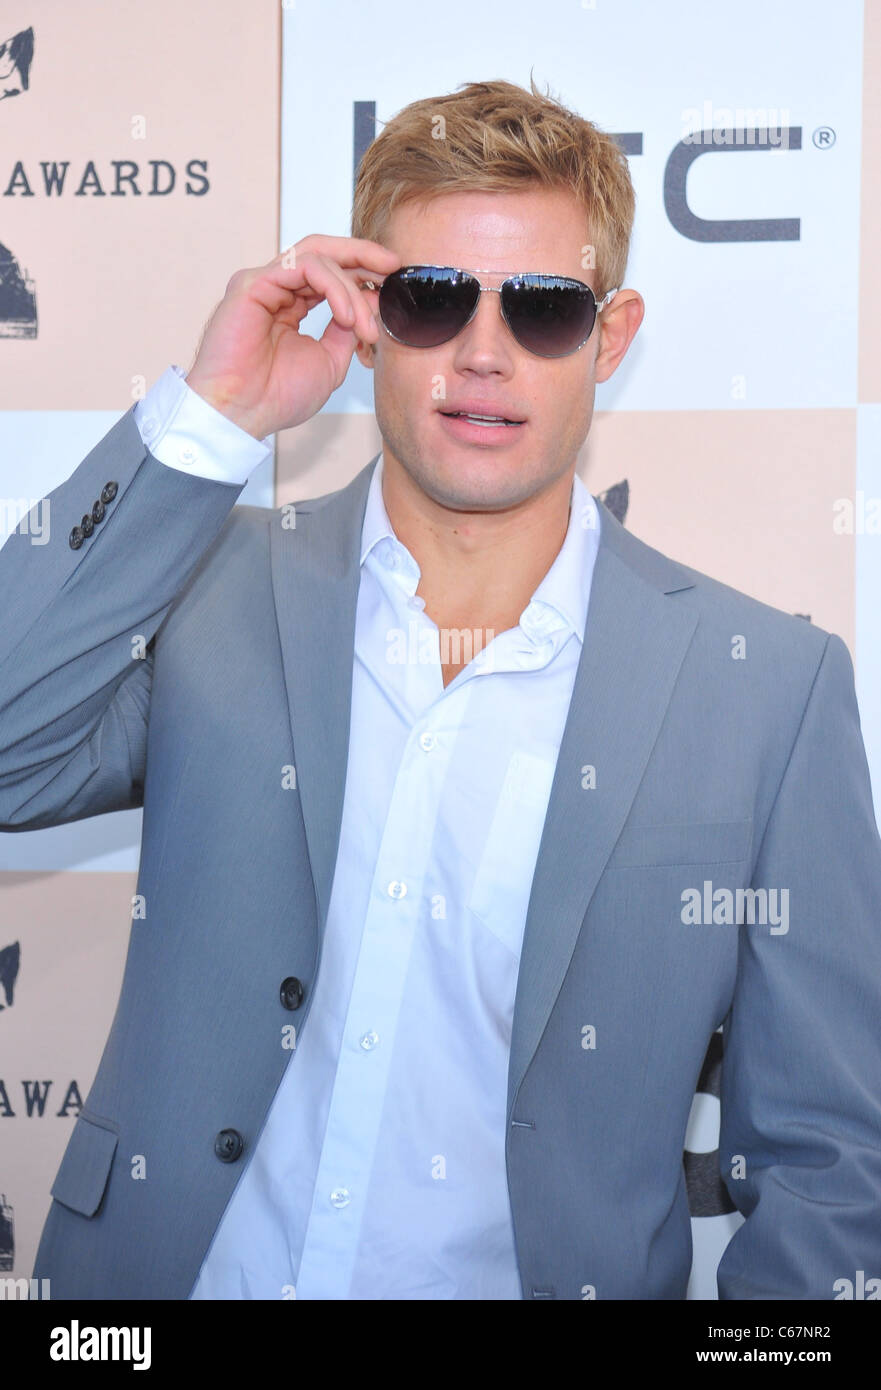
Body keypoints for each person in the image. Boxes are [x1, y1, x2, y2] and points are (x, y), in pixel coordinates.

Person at [2, 77, 880, 1301]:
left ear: (610, 335)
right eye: (428, 299)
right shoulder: (209, 591)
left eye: (541, 309)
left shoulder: (766, 693)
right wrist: (215, 419)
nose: (480, 354)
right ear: (364, 319)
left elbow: (830, 1159)